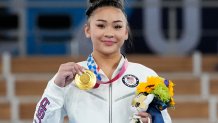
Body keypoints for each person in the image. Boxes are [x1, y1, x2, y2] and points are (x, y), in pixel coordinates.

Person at [33, 0, 172, 123]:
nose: (109, 33)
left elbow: (164, 120)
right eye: (101, 25)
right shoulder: (68, 78)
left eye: (117, 26)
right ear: (87, 30)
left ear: (126, 33)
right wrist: (56, 88)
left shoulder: (146, 76)